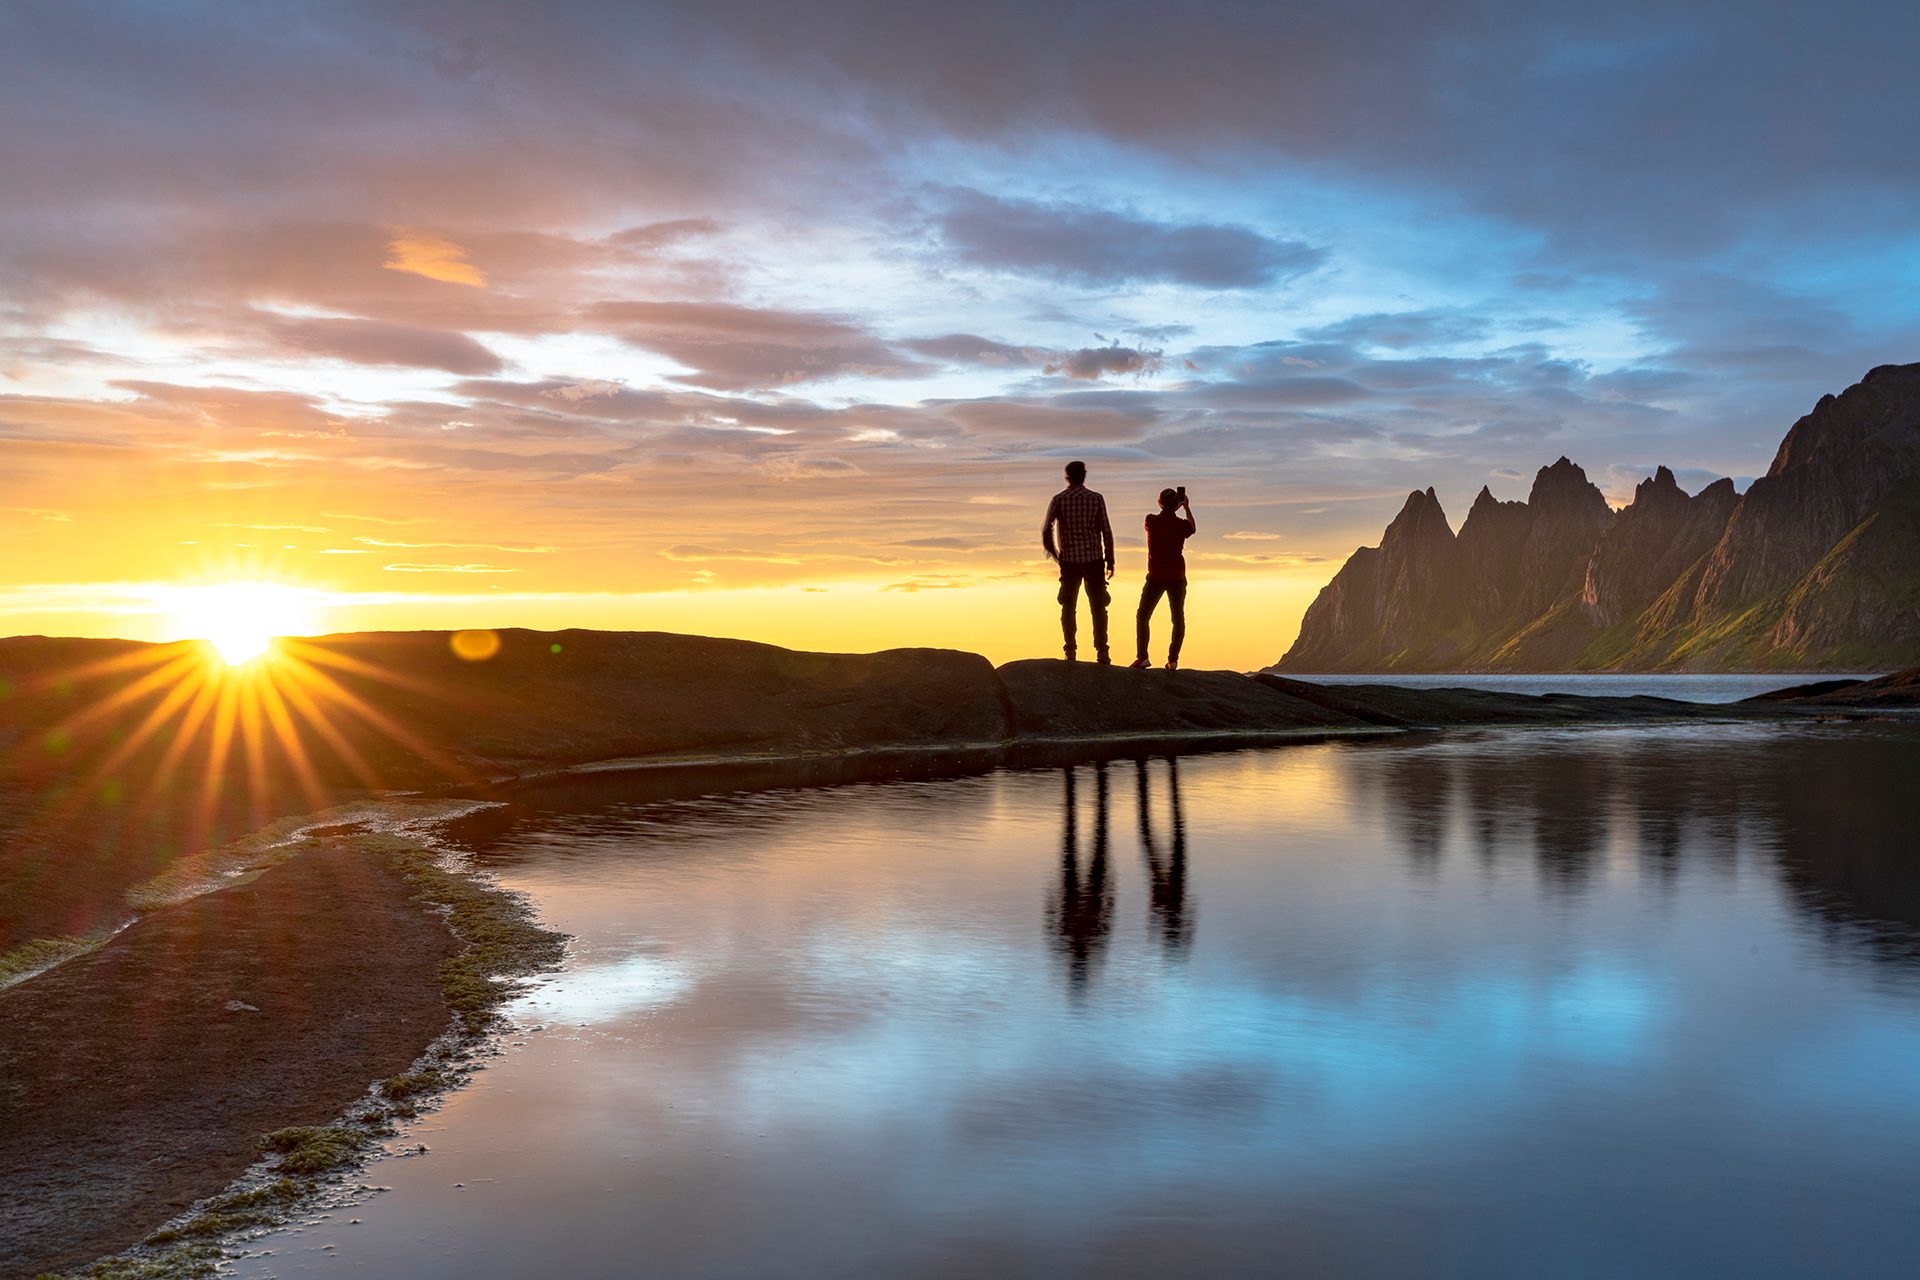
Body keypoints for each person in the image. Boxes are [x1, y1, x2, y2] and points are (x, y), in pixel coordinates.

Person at [1040, 460, 1115, 663]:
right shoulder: (1096, 499)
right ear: (1084, 475)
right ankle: (1102, 651)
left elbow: (1047, 529)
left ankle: (1070, 650)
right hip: (1093, 560)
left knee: (1068, 606)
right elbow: (1106, 530)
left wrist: (1055, 554)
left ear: (1067, 477)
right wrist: (1111, 559)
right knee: (1098, 607)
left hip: (1070, 561)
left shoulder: (1059, 500)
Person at [1130, 485, 1195, 670]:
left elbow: (1166, 517)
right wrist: (1186, 507)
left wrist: (1174, 507)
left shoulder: (1150, 521)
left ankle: (1142, 656)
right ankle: (1173, 660)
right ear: (1177, 504)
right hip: (1176, 576)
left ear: (1159, 503)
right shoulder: (1181, 525)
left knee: (1143, 616)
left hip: (1156, 576)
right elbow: (1193, 528)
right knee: (1177, 619)